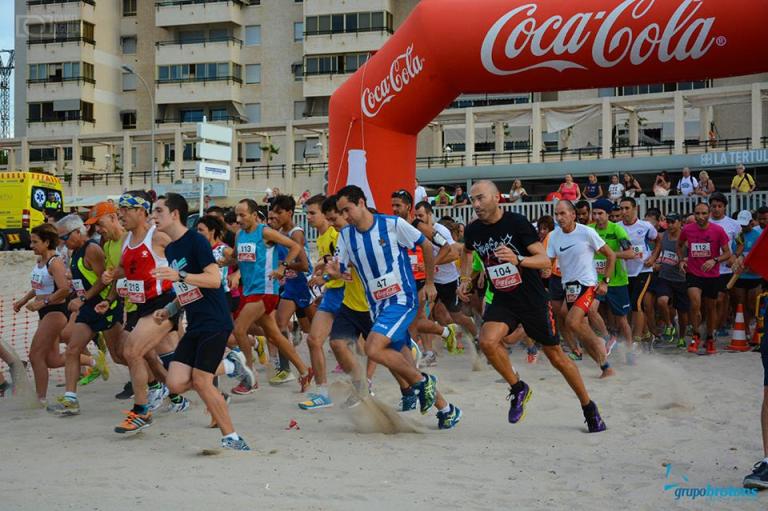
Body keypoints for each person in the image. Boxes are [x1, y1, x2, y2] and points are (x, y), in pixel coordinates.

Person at [459, 180, 605, 432]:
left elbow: (543, 261)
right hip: (503, 298)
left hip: (532, 300)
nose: (476, 204)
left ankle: (589, 407)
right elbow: (467, 252)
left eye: (481, 198)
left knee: (556, 357)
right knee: (487, 341)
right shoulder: (473, 230)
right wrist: (466, 279)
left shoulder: (516, 223)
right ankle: (518, 388)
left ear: (496, 198)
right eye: (473, 200)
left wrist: (518, 259)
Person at [328, 185, 462, 430]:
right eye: (341, 212)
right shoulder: (346, 235)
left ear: (360, 203)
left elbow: (428, 247)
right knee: (402, 360)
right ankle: (447, 410)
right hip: (376, 306)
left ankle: (423, 381)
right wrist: (334, 271)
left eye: (346, 210)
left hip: (402, 299)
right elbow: (341, 266)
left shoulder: (392, 224)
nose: (344, 216)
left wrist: (430, 282)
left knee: (373, 348)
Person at [151, 193, 252, 450]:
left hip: (215, 320)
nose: (154, 216)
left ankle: (232, 438)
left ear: (175, 214)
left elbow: (213, 280)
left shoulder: (196, 240)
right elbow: (188, 289)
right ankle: (229, 365)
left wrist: (179, 274)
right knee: (175, 383)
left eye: (159, 211)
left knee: (201, 380)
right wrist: (170, 308)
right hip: (194, 322)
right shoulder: (172, 249)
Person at [221, 198, 312, 393]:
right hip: (249, 290)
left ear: (254, 215)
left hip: (265, 290)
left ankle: (250, 377)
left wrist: (282, 266)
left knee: (238, 330)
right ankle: (305, 371)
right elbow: (237, 258)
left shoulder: (265, 232)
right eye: (236, 215)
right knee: (274, 335)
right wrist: (224, 263)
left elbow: (294, 247)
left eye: (242, 215)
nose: (238, 219)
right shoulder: (239, 235)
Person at [46, 214, 120, 416]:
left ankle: (159, 384)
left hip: (105, 306)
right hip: (89, 309)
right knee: (72, 349)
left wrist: (84, 298)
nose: (62, 242)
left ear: (78, 232)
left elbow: (104, 280)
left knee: (122, 355)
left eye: (65, 237)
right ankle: (71, 399)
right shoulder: (76, 251)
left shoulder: (92, 249)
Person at [548, 200, 616, 378]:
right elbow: (547, 263)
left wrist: (605, 282)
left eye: (563, 213)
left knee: (572, 322)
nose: (559, 217)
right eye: (557, 214)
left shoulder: (586, 232)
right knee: (580, 329)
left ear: (573, 215)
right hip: (568, 286)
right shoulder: (554, 236)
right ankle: (605, 367)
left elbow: (611, 255)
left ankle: (601, 342)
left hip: (587, 284)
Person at [12, 223, 73, 402]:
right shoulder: (40, 261)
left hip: (55, 312)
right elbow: (38, 287)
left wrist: (42, 303)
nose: (31, 246)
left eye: (35, 242)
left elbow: (65, 289)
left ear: (47, 242)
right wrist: (23, 301)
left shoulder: (56, 263)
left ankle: (40, 399)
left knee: (35, 355)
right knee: (52, 360)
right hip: (45, 312)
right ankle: (91, 361)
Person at [678, 202, 731, 355]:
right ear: (694, 214)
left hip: (712, 275)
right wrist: (682, 259)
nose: (700, 217)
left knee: (710, 308)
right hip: (694, 274)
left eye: (703, 213)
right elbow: (680, 244)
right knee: (695, 303)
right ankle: (695, 336)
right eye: (697, 213)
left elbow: (727, 253)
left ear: (709, 214)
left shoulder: (718, 230)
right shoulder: (687, 229)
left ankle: (709, 338)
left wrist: (714, 260)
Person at [588, 199, 635, 362]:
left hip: (617, 281)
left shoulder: (617, 230)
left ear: (608, 214)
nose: (597, 216)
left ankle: (630, 351)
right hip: (596, 280)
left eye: (600, 213)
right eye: (594, 213)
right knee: (591, 310)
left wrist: (612, 255)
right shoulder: (589, 230)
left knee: (622, 319)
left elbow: (630, 253)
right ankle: (609, 338)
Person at [620, 197, 658, 347]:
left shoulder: (646, 226)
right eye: (621, 208)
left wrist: (653, 257)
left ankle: (636, 341)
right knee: (629, 307)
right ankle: (647, 333)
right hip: (625, 272)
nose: (624, 212)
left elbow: (658, 240)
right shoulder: (616, 227)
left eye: (627, 208)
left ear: (635, 209)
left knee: (636, 303)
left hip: (643, 270)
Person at [650, 213, 689, 348]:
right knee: (661, 301)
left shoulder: (686, 238)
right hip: (664, 277)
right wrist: (654, 261)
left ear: (680, 223)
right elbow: (657, 251)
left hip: (681, 279)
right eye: (669, 222)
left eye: (673, 222)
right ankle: (669, 325)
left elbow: (693, 256)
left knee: (683, 313)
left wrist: (685, 261)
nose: (670, 225)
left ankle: (682, 337)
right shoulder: (663, 236)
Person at [708, 192, 740, 338]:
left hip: (725, 269)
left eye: (719, 206)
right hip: (707, 268)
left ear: (725, 207)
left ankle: (715, 328)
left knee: (721, 299)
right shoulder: (705, 222)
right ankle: (710, 326)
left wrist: (734, 256)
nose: (716, 209)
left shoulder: (734, 224)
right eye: (713, 206)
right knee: (709, 301)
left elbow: (741, 243)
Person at [732, 210, 762, 338]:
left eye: (745, 225)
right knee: (740, 303)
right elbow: (734, 255)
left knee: (752, 304)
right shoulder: (738, 236)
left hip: (755, 277)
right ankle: (745, 330)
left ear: (751, 222)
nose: (743, 227)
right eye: (741, 225)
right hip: (740, 276)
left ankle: (754, 327)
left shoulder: (758, 236)